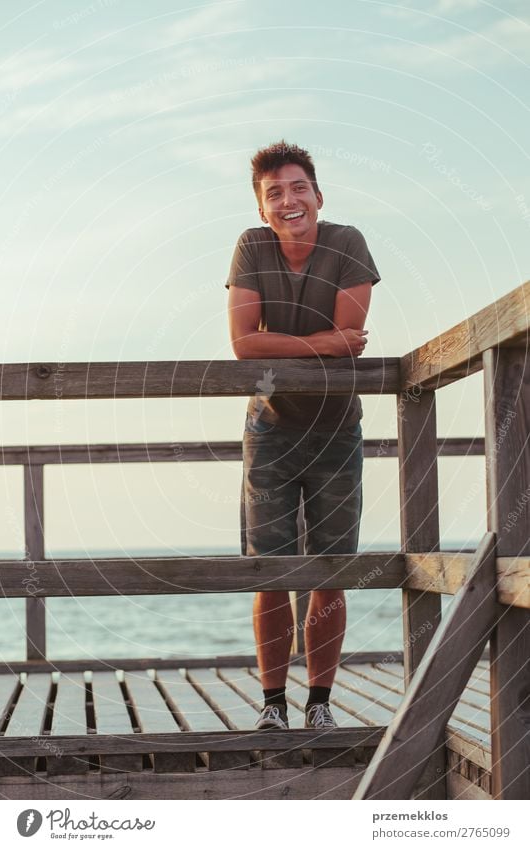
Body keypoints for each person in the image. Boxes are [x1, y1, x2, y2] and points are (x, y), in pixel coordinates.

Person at [226, 140, 380, 730]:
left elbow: (353, 330)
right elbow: (245, 345)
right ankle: (273, 706)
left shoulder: (349, 244)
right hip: (269, 428)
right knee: (270, 571)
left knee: (330, 570)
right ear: (263, 209)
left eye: (298, 188)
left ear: (318, 195)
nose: (288, 201)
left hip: (337, 428)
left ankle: (318, 703)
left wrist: (321, 344)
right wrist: (322, 346)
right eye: (274, 194)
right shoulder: (251, 247)